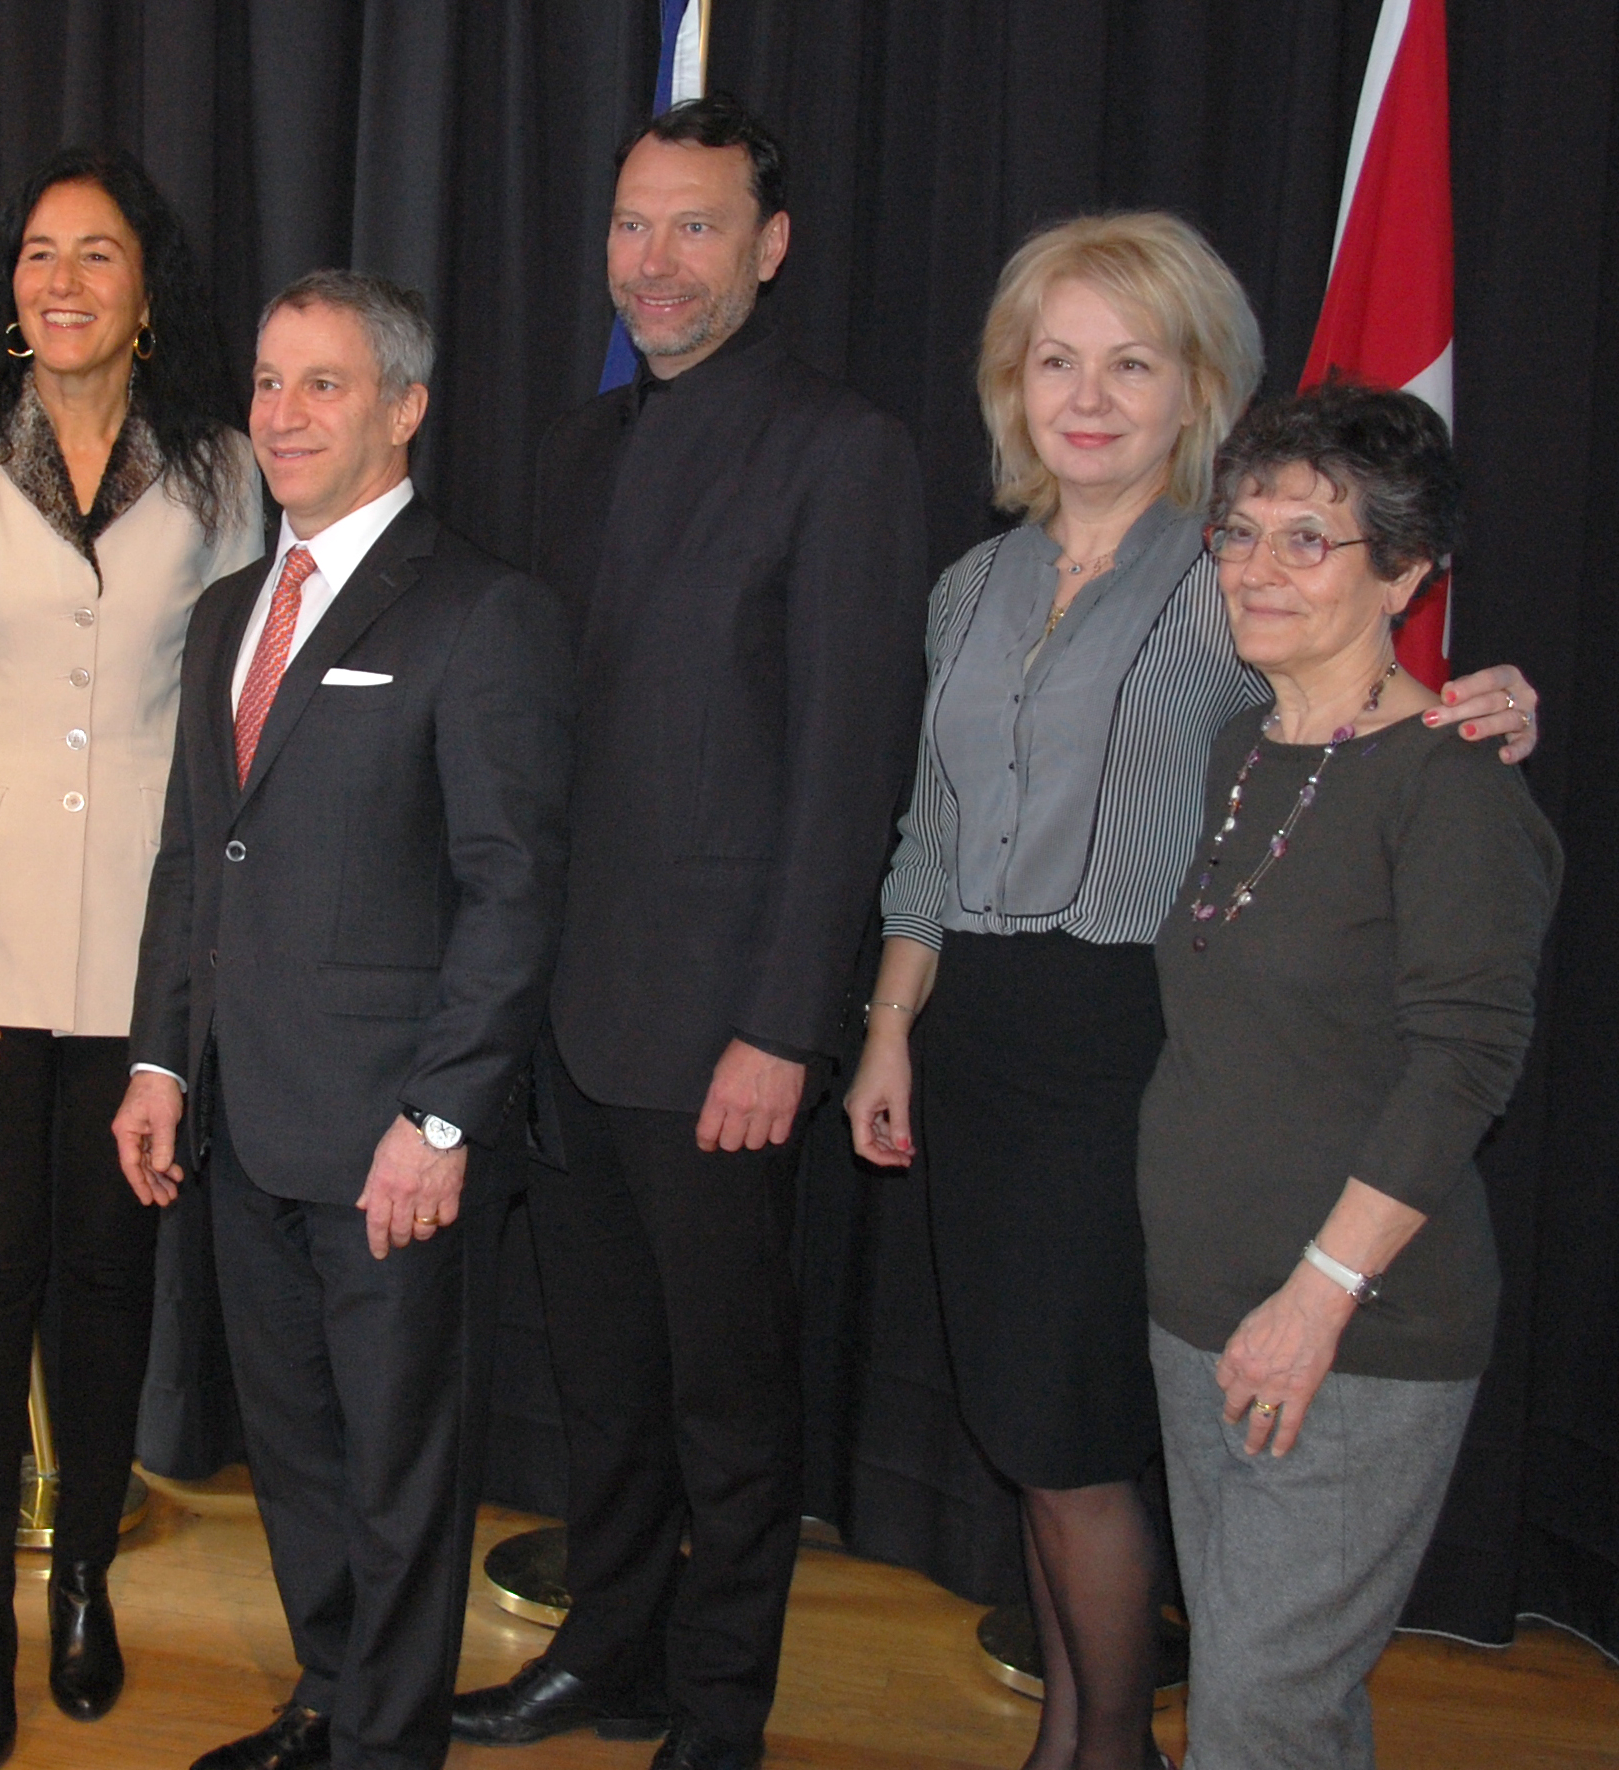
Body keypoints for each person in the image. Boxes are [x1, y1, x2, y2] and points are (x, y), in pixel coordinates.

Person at [840, 218, 1545, 1770]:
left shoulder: (1232, 574)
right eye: (1056, 361)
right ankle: (1074, 1737)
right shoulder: (970, 586)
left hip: (1128, 1058)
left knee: (1074, 1441)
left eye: (1131, 363)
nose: (1088, 398)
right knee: (1023, 1436)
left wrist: (1486, 706)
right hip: (974, 1046)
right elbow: (931, 832)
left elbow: (1355, 708)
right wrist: (890, 1024)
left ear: (1196, 387)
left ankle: (1107, 1747)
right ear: (1013, 385)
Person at [452, 98, 928, 1770]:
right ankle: (613, 1657)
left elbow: (849, 770)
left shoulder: (844, 451)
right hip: (568, 1023)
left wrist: (786, 1025)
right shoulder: (572, 449)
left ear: (770, 247)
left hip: (723, 1027)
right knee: (603, 1385)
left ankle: (719, 1715)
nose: (655, 260)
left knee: (730, 1407)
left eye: (697, 225)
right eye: (633, 224)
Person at [115, 269, 573, 1770]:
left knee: (399, 1472)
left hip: (392, 1142)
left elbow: (512, 891)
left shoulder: (483, 611)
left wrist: (441, 1116)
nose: (285, 413)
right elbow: (197, 856)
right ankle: (328, 1699)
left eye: (325, 383)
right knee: (297, 1452)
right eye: (268, 381)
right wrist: (160, 1057)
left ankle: (387, 1744)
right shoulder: (225, 615)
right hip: (242, 1121)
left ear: (405, 408)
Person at [0, 145, 260, 1768]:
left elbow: (238, 718)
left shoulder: (223, 468)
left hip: (147, 943)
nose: (66, 279)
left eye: (98, 253)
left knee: (108, 1281)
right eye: (41, 253)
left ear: (146, 288)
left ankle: (83, 1573)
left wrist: (220, 939)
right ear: (10, 287)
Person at [1139, 385, 1557, 1769]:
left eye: (1308, 539)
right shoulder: (1239, 749)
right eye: (1240, 531)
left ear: (1406, 572)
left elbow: (1464, 1066)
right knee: (1269, 1703)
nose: (1256, 567)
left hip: (1350, 1332)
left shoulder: (1454, 786)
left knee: (1257, 1718)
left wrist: (1318, 1301)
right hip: (1199, 1307)